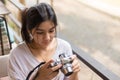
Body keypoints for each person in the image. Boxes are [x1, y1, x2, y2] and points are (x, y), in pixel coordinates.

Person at [8, 3, 80, 80]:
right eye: (40, 32)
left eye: (51, 31)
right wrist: (40, 78)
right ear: (29, 30)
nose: (47, 38)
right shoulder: (17, 55)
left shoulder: (64, 47)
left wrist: (74, 72)